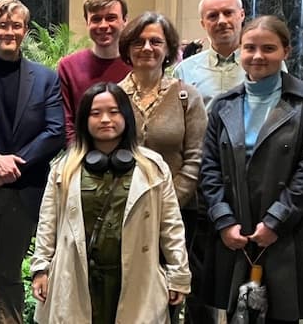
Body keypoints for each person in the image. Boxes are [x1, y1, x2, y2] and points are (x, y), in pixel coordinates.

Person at [199, 16, 303, 323]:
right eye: (250, 48)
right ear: (240, 52)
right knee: (236, 315)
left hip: (284, 232)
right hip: (236, 231)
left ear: (286, 51)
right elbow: (209, 166)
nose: (258, 56)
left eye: (268, 48)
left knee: (282, 315)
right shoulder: (222, 104)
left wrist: (275, 222)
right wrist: (223, 220)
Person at [30, 83, 190, 323]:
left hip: (136, 276)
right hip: (77, 274)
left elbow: (171, 225)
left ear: (126, 116)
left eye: (114, 112)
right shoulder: (64, 168)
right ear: (85, 119)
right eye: (96, 113)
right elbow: (48, 223)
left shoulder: (153, 168)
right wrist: (40, 268)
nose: (105, 119)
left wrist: (178, 274)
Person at [0, 0, 65, 324]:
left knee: (10, 274)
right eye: (2, 25)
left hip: (22, 191)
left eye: (16, 26)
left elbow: (55, 132)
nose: (9, 32)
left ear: (24, 31)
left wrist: (11, 168)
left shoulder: (46, 78)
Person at [116, 11, 208, 324]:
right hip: (122, 211)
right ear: (127, 47)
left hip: (178, 213)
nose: (147, 47)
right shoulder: (112, 96)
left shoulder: (186, 97)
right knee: (126, 289)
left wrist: (165, 204)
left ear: (168, 48)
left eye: (156, 41)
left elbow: (196, 159)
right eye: (139, 41)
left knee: (170, 292)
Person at [57, 0, 132, 144]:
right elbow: (66, 122)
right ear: (87, 23)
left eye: (111, 18)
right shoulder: (68, 67)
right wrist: (80, 158)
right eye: (96, 19)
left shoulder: (137, 66)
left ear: (125, 20)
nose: (103, 25)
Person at [173, 0, 248, 106]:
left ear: (242, 15)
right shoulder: (184, 71)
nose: (222, 21)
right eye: (213, 16)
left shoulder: (264, 64)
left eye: (228, 13)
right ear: (203, 23)